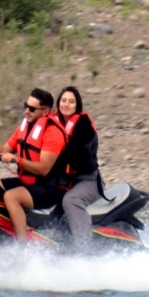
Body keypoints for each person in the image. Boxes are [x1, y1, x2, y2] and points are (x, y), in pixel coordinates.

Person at [0, 88, 66, 240]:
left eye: (32, 109)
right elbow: (4, 149)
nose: (27, 111)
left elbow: (44, 169)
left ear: (45, 112)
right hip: (28, 182)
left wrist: (17, 160)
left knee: (11, 197)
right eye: (26, 106)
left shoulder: (53, 133)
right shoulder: (25, 128)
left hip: (49, 189)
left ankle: (22, 244)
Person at [54, 85, 103, 246]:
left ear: (77, 105)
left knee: (71, 200)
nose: (66, 104)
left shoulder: (83, 125)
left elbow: (71, 151)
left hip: (88, 181)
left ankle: (83, 246)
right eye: (63, 101)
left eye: (71, 101)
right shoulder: (53, 123)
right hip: (65, 181)